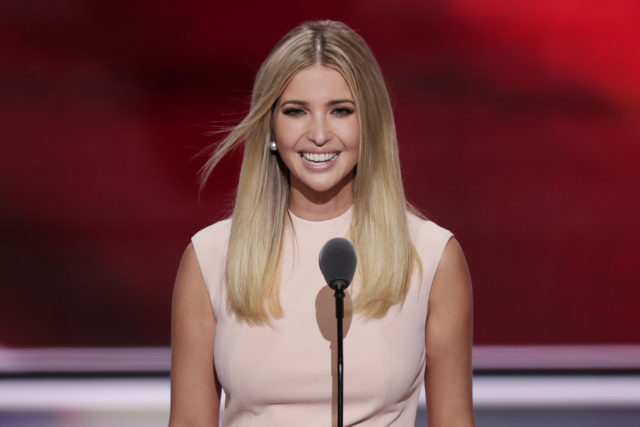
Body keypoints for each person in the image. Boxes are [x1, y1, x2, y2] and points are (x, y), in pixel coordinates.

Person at [169, 20, 474, 426]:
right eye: (296, 112)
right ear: (271, 127)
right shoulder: (210, 259)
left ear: (370, 124)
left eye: (340, 111)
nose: (318, 134)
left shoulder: (431, 257)